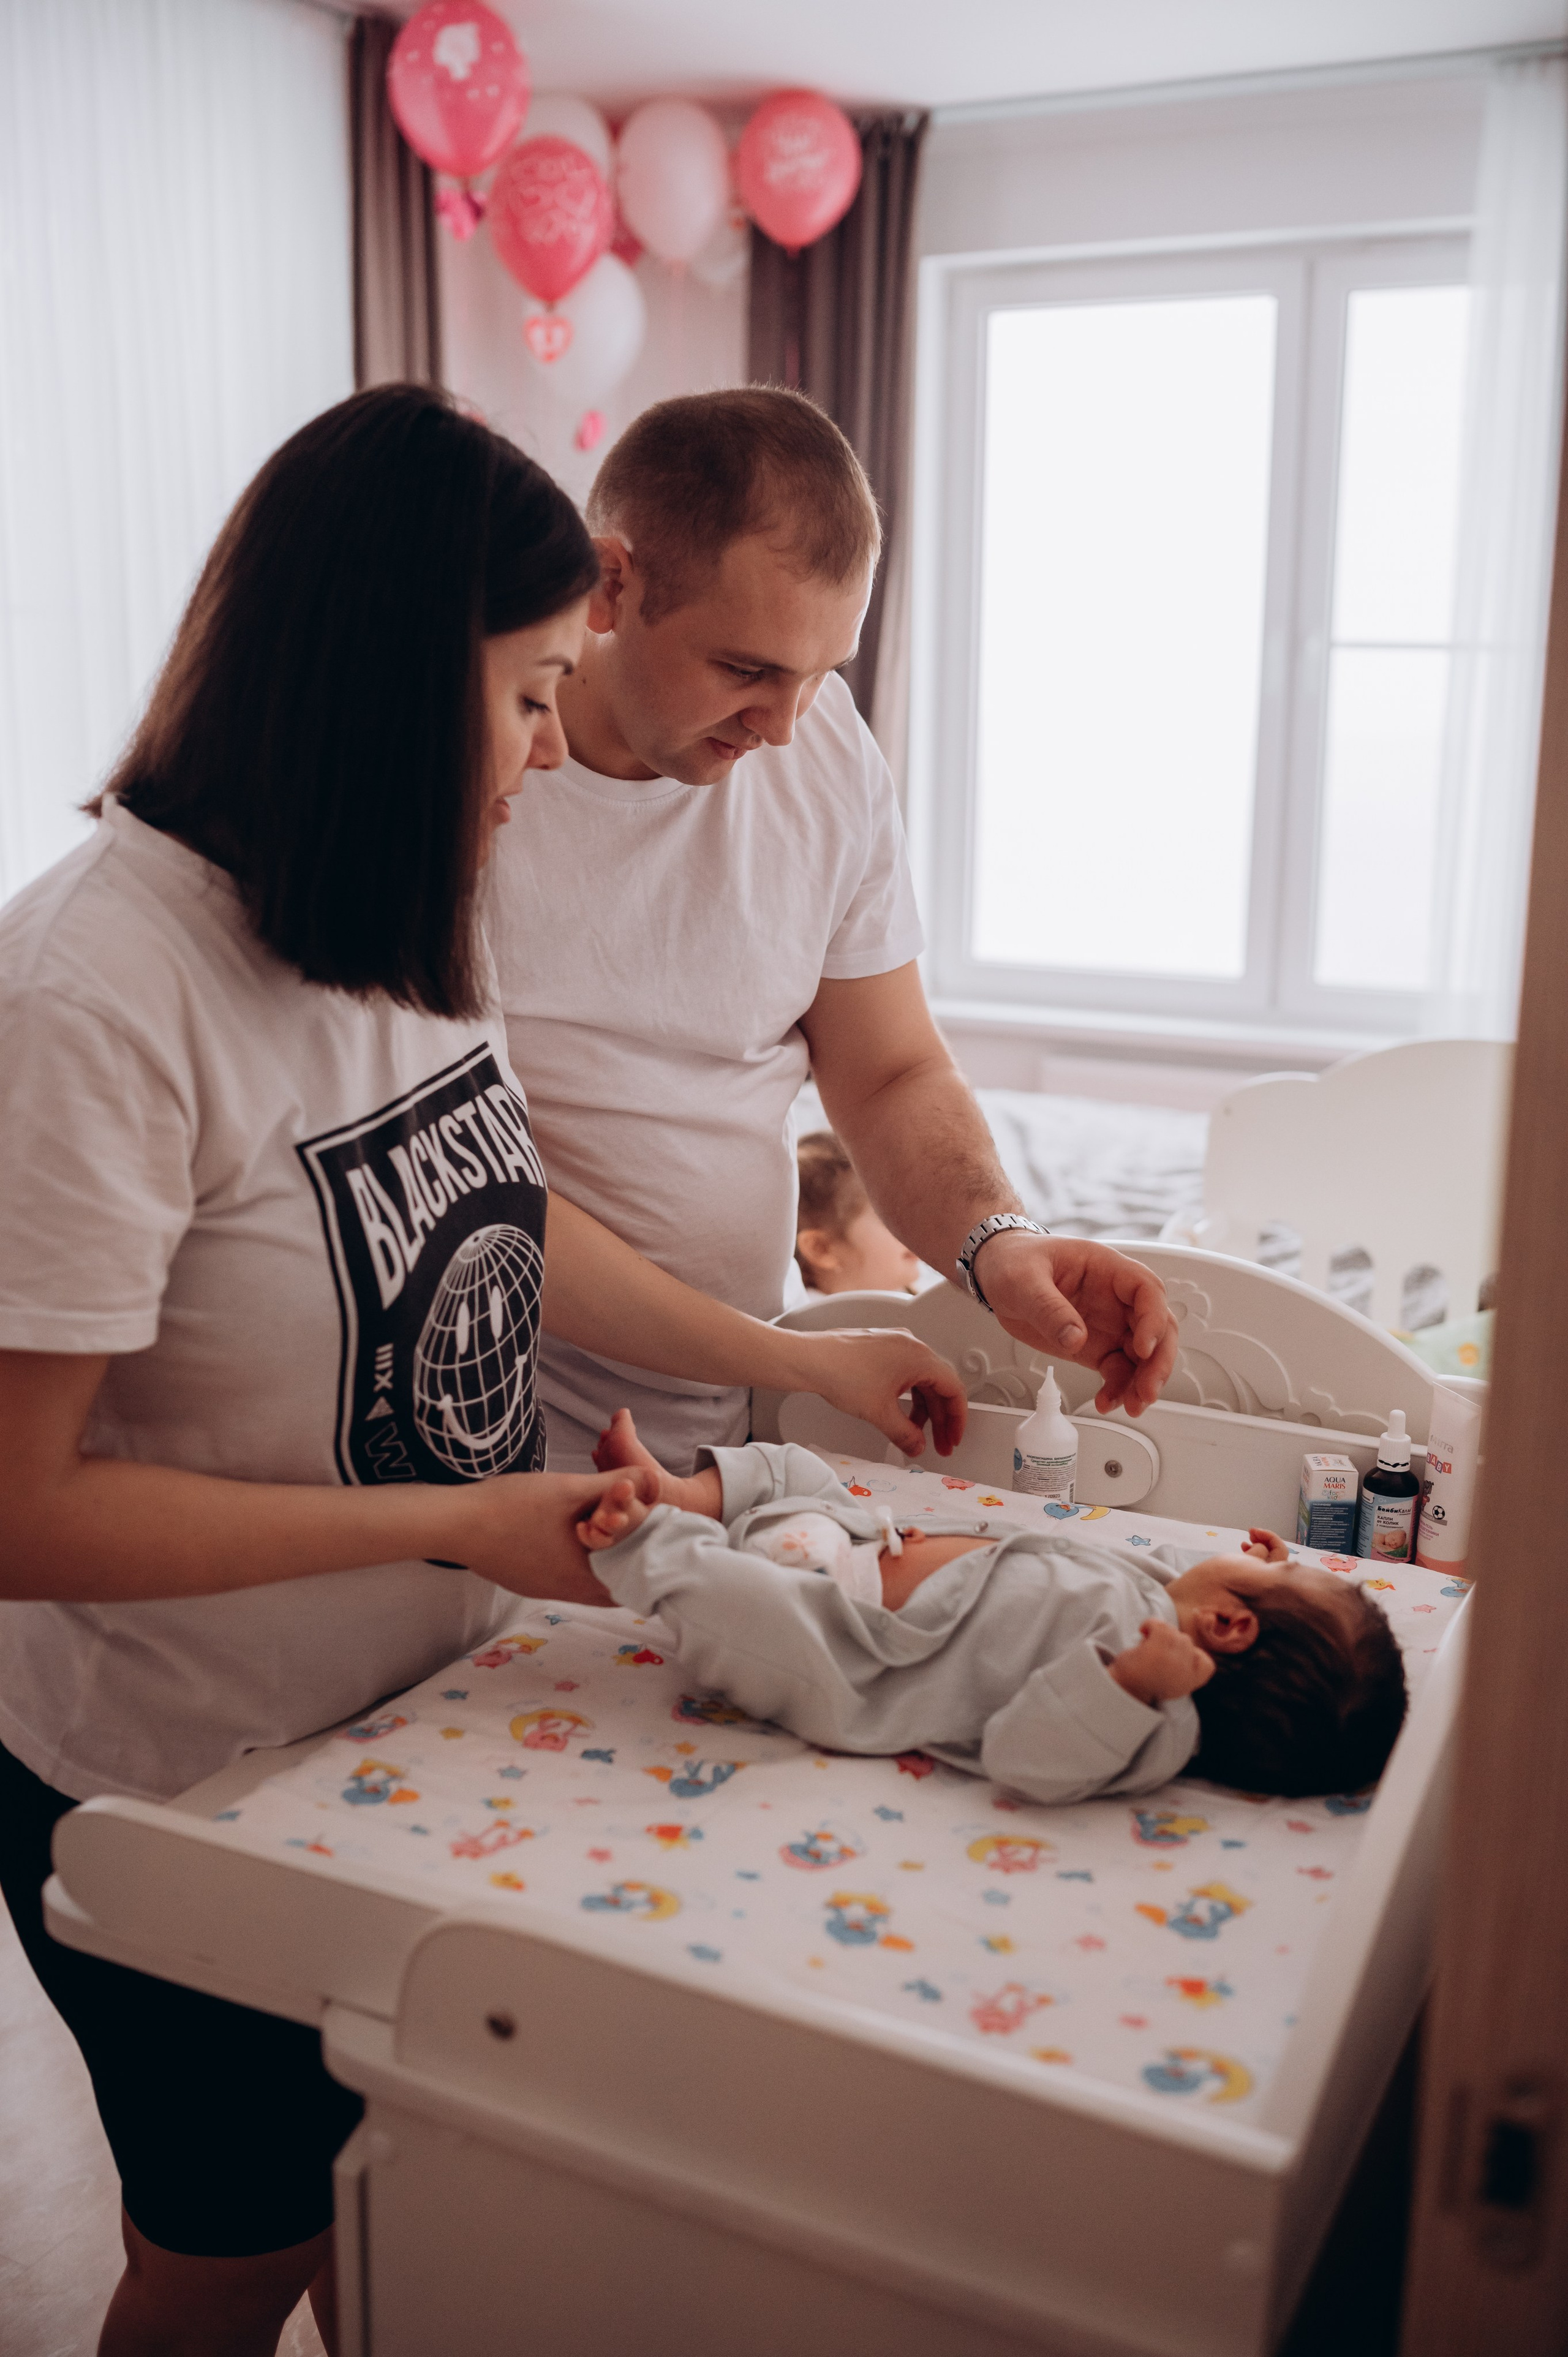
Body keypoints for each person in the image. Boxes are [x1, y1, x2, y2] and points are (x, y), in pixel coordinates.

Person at [0, 387, 963, 2357]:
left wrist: (791, 1366)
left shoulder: (395, 914)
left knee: (420, 2220)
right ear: (383, 680)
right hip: (185, 1771)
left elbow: (499, 1214)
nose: (549, 747)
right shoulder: (90, 997)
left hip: (405, 1726)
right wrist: (460, 1519)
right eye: (528, 694)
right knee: (232, 2264)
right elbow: (21, 1511)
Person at [486, 387, 1181, 1476]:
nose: (783, 727)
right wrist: (800, 1360)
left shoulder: (824, 750)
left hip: (721, 1424)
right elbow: (474, 1191)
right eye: (747, 669)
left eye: (821, 674)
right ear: (611, 584)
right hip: (498, 1432)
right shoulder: (479, 784)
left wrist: (997, 1244)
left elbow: (891, 1072)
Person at [578, 1416, 1410, 1805]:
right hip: (857, 1540)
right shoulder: (1165, 1593)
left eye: (1284, 1573)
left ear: (1230, 1625)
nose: (1268, 1555)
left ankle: (650, 1545)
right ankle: (681, 1494)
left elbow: (1027, 1757)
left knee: (749, 1612)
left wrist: (1127, 1686)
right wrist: (1250, 1571)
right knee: (797, 1469)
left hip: (850, 1644)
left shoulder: (1153, 1724)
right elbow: (1174, 1569)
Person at [794, 1128, 921, 1297]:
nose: (916, 1228)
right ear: (821, 1248)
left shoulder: (918, 1302)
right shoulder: (806, 1313)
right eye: (889, 1218)